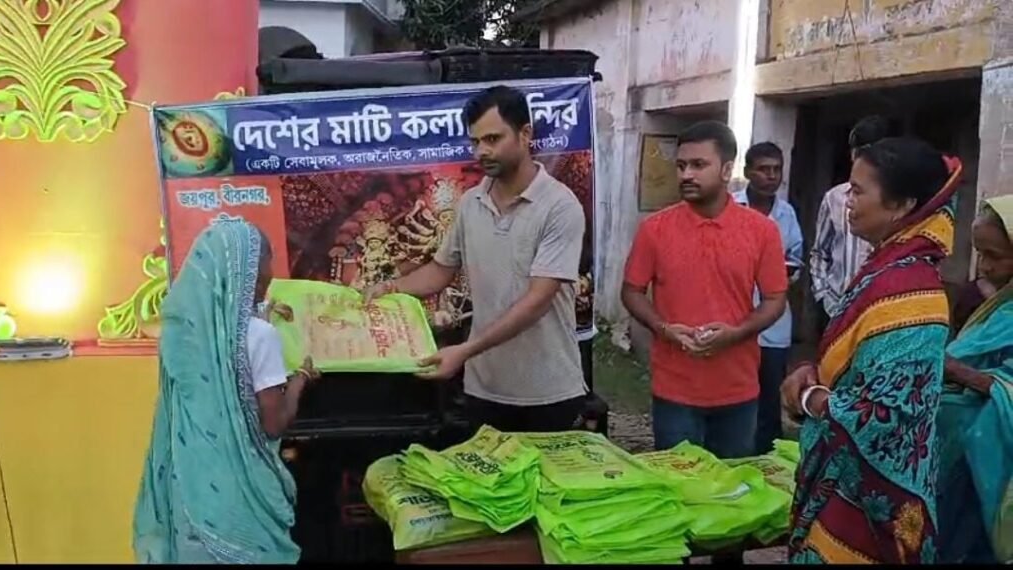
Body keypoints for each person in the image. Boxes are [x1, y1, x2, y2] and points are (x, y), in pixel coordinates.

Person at [364, 85, 588, 433]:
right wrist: (390, 288)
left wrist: (466, 350)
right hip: (484, 390)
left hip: (548, 392)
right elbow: (440, 270)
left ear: (525, 133)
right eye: (475, 141)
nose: (482, 151)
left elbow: (537, 301)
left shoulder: (559, 206)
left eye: (493, 139)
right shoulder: (471, 202)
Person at [781, 137, 963, 564]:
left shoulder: (912, 293)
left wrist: (808, 398)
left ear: (901, 205)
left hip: (871, 501)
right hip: (847, 479)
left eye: (859, 191)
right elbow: (857, 359)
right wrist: (814, 370)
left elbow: (885, 416)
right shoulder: (884, 268)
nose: (848, 201)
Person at [133, 221, 320, 564]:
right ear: (250, 271)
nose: (270, 274)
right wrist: (300, 380)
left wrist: (262, 312)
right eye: (266, 265)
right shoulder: (261, 336)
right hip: (240, 498)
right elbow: (273, 424)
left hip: (190, 489)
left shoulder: (180, 336)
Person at [621, 121, 788, 459]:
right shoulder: (654, 229)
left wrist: (737, 333)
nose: (686, 175)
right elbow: (632, 291)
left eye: (698, 165)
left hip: (738, 389)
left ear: (726, 170)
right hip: (674, 389)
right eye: (681, 165)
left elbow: (775, 300)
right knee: (677, 483)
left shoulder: (762, 231)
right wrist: (664, 329)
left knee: (731, 485)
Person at [937, 195, 1013, 564]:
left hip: (995, 462)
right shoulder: (998, 305)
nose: (983, 266)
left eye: (995, 255)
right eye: (980, 253)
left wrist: (956, 371)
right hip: (965, 453)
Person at [732, 142, 804, 454]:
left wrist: (785, 271)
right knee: (734, 394)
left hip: (774, 323)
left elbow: (796, 257)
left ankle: (765, 457)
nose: (771, 176)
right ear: (748, 172)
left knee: (769, 399)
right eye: (763, 169)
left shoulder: (786, 214)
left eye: (777, 170)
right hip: (733, 319)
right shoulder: (730, 207)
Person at [809, 116, 889, 337]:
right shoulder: (835, 198)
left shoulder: (897, 201)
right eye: (861, 153)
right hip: (835, 308)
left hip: (879, 310)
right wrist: (823, 295)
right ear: (853, 154)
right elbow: (819, 253)